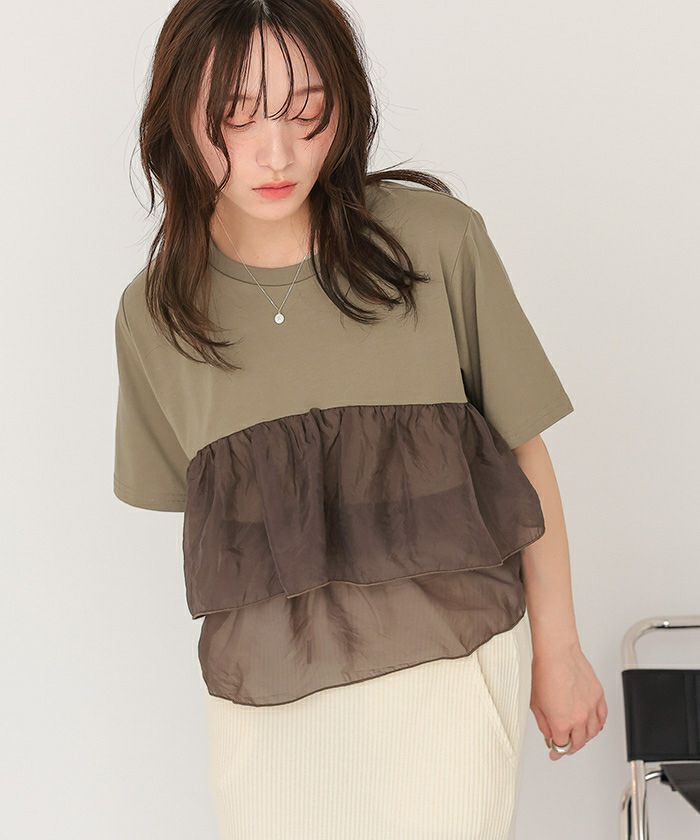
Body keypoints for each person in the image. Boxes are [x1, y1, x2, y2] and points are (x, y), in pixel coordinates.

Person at [113, 1, 607, 837]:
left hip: (452, 677)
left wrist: (559, 650)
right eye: (235, 118)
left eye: (306, 112)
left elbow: (524, 453)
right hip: (271, 708)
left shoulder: (435, 241)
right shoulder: (157, 316)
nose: (277, 154)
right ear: (176, 119)